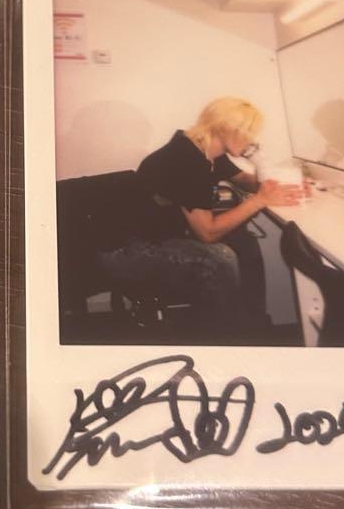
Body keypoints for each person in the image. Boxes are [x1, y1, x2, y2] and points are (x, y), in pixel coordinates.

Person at [99, 97, 302, 342]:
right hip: (128, 250)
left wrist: (265, 167)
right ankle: (224, 338)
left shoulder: (207, 152)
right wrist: (258, 201)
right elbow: (208, 233)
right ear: (225, 128)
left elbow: (247, 182)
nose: (252, 139)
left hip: (160, 233)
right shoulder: (186, 159)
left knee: (245, 243)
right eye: (248, 131)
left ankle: (251, 325)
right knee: (219, 259)